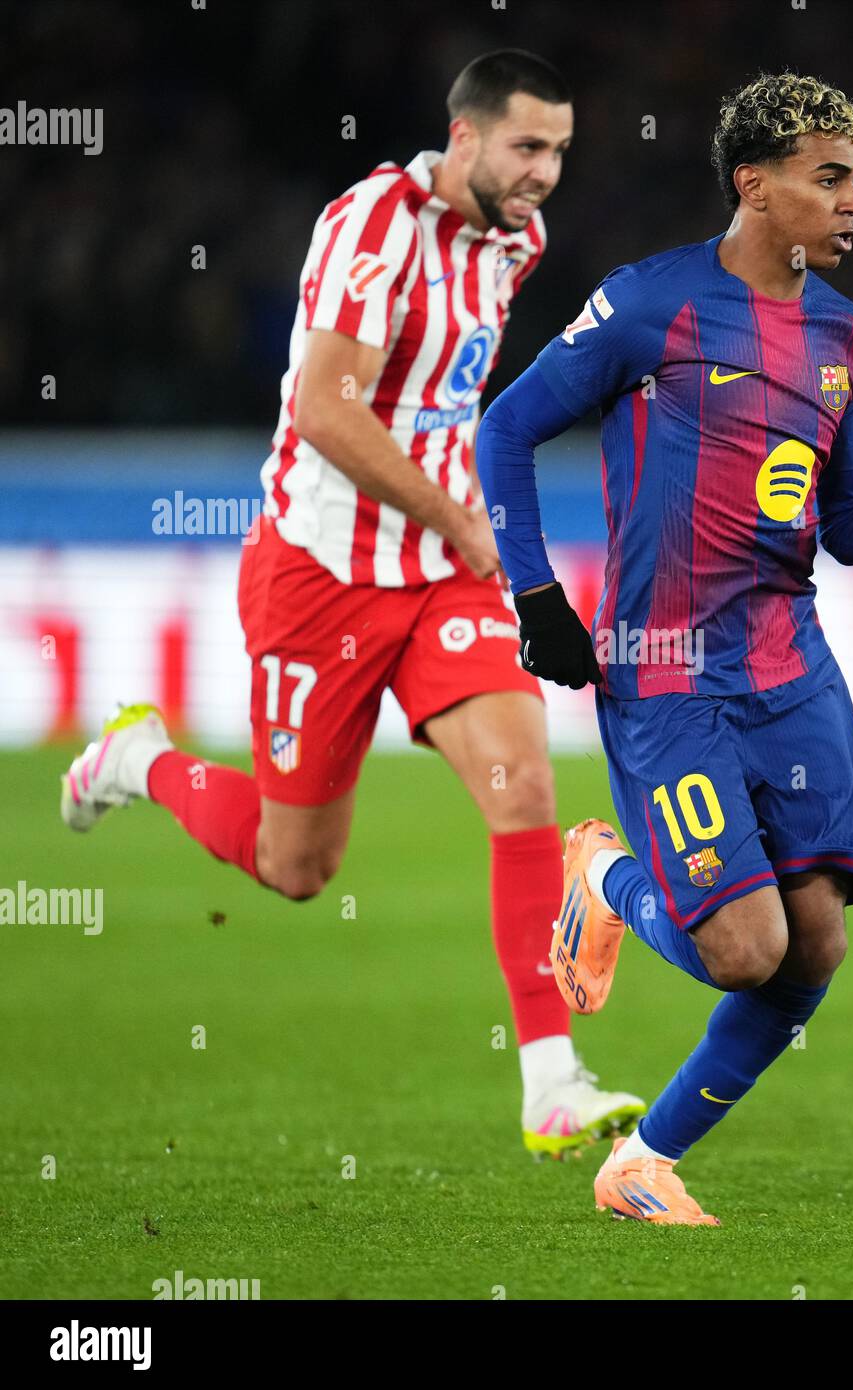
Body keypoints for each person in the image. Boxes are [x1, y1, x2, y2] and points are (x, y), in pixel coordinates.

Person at [59, 49, 644, 1158]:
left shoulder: (519, 242)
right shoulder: (372, 226)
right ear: (463, 136)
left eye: (560, 151)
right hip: (319, 573)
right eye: (528, 147)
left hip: (444, 575)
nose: (546, 173)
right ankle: (139, 760)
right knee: (295, 866)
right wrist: (465, 516)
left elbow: (443, 394)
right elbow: (329, 410)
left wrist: (470, 529)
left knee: (522, 790)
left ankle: (550, 1080)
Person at [476, 71, 853, 1221]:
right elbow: (506, 427)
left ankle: (642, 1163)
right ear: (755, 186)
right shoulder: (646, 306)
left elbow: (848, 523)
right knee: (741, 948)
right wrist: (534, 595)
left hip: (789, 670)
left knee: (812, 947)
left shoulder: (847, 338)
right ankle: (606, 877)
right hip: (663, 671)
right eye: (830, 177)